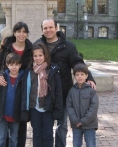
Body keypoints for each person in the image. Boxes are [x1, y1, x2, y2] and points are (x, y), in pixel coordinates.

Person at [34, 18, 96, 147]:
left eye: (50, 27)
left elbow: (77, 62)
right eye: (45, 28)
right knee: (46, 125)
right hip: (44, 94)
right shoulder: (39, 44)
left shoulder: (67, 45)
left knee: (62, 125)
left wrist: (89, 77)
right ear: (42, 30)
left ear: (57, 28)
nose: (48, 30)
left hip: (62, 91)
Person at [0, 21, 33, 147]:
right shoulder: (7, 46)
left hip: (21, 89)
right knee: (3, 130)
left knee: (18, 127)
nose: (21, 34)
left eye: (24, 32)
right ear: (14, 33)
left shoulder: (30, 48)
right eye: (19, 31)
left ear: (27, 34)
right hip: (6, 86)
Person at [20, 42, 63, 147]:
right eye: (35, 56)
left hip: (48, 108)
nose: (38, 58)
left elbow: (58, 92)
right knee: (37, 134)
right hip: (34, 108)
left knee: (48, 134)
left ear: (45, 56)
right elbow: (26, 92)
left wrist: (58, 110)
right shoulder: (29, 72)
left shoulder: (52, 71)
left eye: (40, 55)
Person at [0, 53, 25, 147]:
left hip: (16, 114)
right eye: (11, 64)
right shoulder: (3, 78)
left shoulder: (23, 78)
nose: (14, 67)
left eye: (16, 64)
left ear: (20, 65)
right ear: (7, 65)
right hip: (4, 114)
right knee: (1, 137)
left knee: (14, 138)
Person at [66, 63, 98, 147]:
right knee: (76, 144)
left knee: (90, 144)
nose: (79, 77)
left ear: (86, 76)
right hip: (76, 125)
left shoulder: (91, 91)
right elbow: (69, 106)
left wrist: (83, 121)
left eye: (82, 74)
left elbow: (93, 108)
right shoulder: (72, 91)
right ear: (74, 76)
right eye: (77, 75)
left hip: (89, 124)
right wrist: (76, 120)